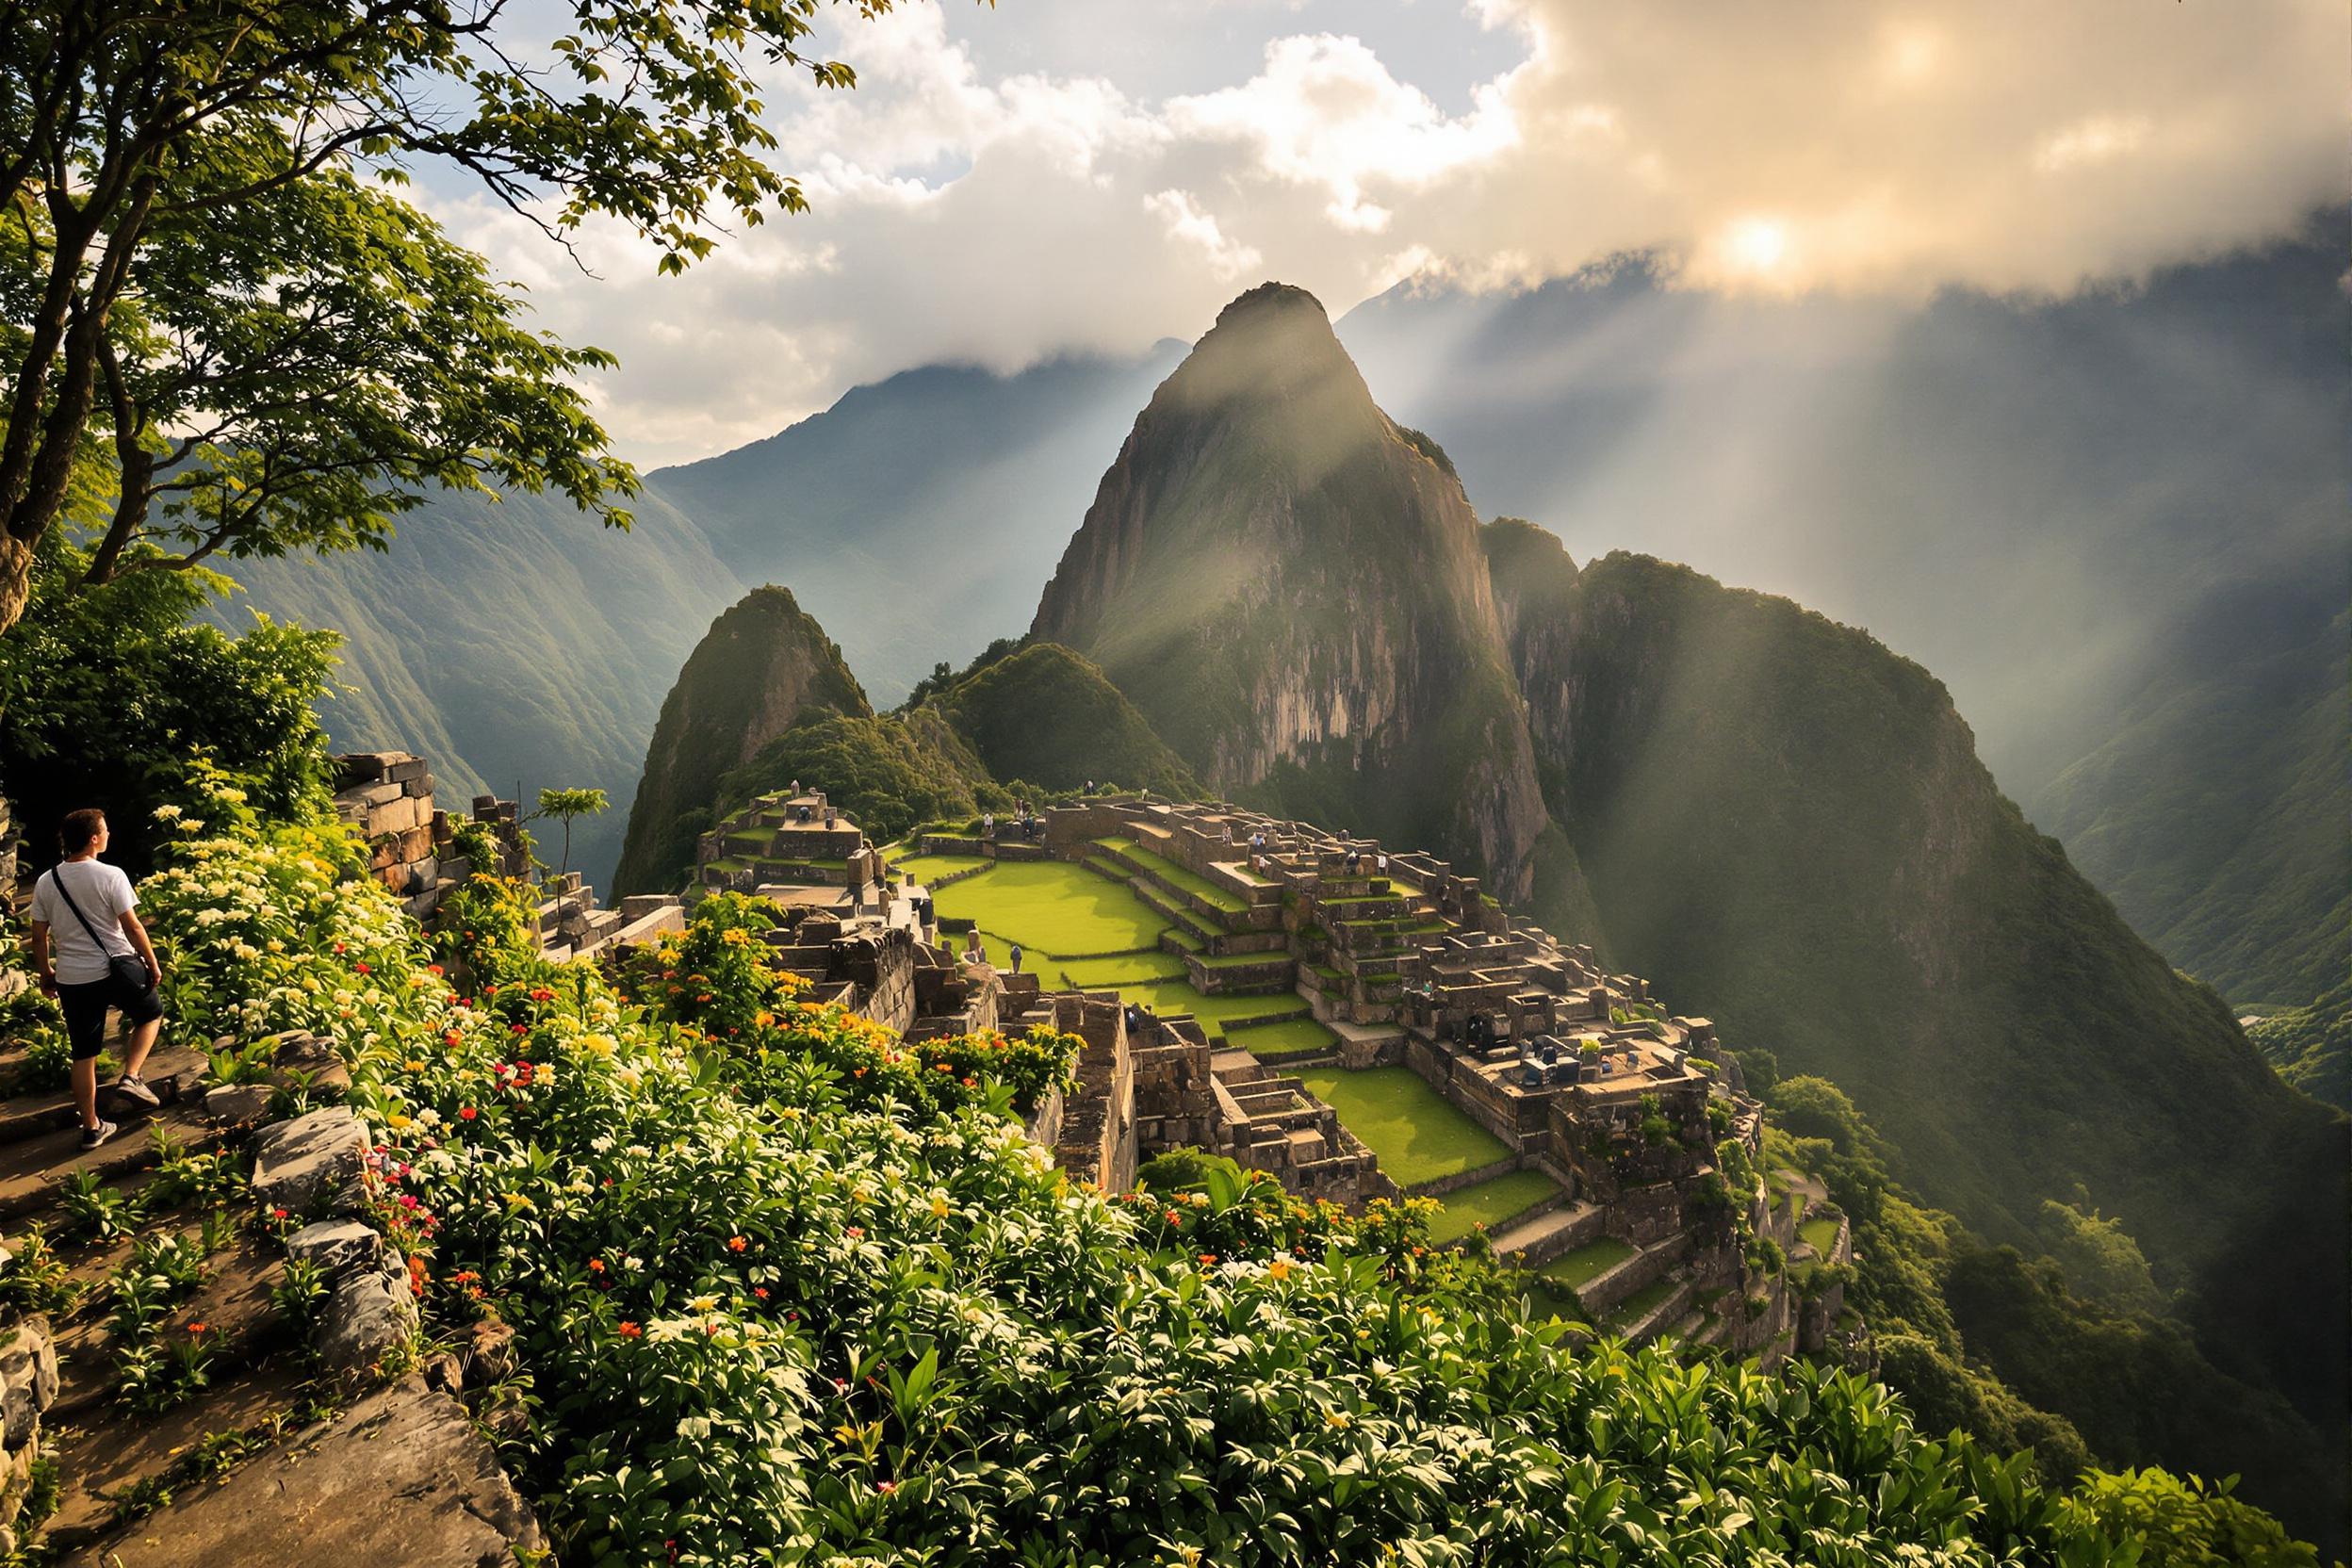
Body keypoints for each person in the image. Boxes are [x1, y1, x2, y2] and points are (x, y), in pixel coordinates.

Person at [27, 808, 165, 1148]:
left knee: (83, 1054)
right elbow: (132, 926)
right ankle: (132, 1077)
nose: (108, 835)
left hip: (73, 978)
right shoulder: (111, 875)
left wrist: (46, 972)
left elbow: (38, 934)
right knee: (151, 1013)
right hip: (116, 967)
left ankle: (91, 1128)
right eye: (105, 831)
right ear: (93, 838)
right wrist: (152, 962)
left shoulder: (48, 881)